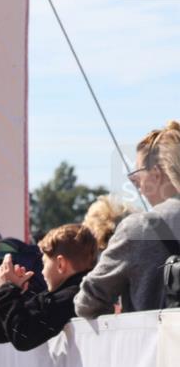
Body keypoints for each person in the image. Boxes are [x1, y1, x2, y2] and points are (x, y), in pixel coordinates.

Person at [76, 121, 180, 317]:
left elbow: (88, 303)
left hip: (163, 345)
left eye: (136, 177)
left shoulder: (139, 228)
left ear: (156, 173)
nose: (136, 186)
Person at [0, 224, 97, 350]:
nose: (42, 271)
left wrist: (7, 290)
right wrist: (7, 291)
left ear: (61, 264)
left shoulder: (73, 297)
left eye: (44, 263)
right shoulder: (61, 294)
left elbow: (22, 337)